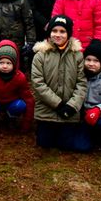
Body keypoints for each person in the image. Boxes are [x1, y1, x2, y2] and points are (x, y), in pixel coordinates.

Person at [31, 15, 89, 152]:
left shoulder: (77, 56)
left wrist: (71, 106)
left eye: (62, 31)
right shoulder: (40, 55)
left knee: (66, 145)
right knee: (44, 143)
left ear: (68, 34)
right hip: (47, 110)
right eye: (54, 31)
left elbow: (81, 83)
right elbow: (38, 83)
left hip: (69, 112)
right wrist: (57, 104)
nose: (58, 35)